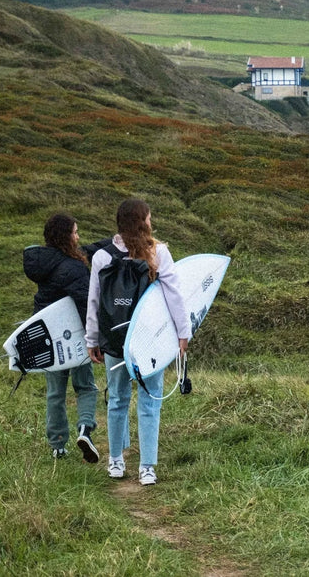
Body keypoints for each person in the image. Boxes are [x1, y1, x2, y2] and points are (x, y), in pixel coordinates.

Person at [86, 198, 191, 486]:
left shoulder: (102, 257)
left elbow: (94, 302)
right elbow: (174, 296)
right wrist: (184, 334)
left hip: (114, 338)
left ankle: (116, 462)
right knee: (150, 399)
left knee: (117, 398)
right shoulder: (158, 253)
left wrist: (92, 339)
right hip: (150, 339)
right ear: (143, 222)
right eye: (149, 218)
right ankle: (147, 468)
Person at [23, 213, 110, 462]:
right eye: (75, 232)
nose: (78, 236)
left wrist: (113, 241)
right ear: (65, 237)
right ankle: (85, 429)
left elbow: (85, 250)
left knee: (55, 391)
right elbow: (85, 305)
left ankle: (58, 444)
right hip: (74, 335)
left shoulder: (45, 261)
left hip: (48, 335)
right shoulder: (74, 267)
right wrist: (95, 340)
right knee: (85, 387)